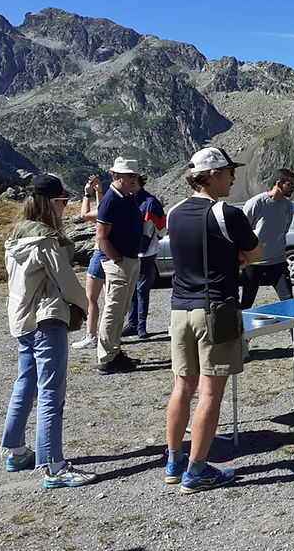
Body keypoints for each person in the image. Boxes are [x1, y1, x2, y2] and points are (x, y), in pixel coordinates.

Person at [164, 147, 263, 493]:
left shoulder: (174, 212)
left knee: (182, 387)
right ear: (215, 175)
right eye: (229, 172)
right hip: (216, 309)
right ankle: (198, 470)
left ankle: (174, 460)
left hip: (179, 309)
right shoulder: (226, 213)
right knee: (210, 393)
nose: (233, 178)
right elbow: (257, 253)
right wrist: (236, 259)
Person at [0, 173, 97, 489]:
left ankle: (15, 450)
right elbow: (66, 281)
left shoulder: (15, 237)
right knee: (51, 392)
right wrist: (88, 307)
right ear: (48, 203)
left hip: (23, 320)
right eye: (62, 200)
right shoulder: (45, 241)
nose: (65, 206)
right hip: (47, 318)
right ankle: (54, 466)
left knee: (26, 383)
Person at [95, 157, 144, 374]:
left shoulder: (126, 197)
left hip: (129, 258)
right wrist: (116, 259)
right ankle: (106, 357)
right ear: (117, 177)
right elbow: (101, 236)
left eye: (134, 175)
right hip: (119, 261)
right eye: (129, 176)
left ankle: (114, 351)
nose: (134, 179)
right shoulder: (110, 200)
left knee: (121, 309)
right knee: (114, 309)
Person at [241, 168, 294, 310]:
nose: (293, 189)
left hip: (278, 261)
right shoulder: (256, 203)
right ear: (278, 184)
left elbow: (285, 230)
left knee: (288, 300)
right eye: (290, 185)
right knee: (247, 302)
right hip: (254, 262)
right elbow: (242, 230)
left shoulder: (288, 206)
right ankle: (238, 331)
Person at [122, 174, 167, 339]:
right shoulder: (127, 200)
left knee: (142, 288)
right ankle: (133, 325)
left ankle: (140, 326)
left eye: (134, 181)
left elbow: (162, 228)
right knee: (133, 288)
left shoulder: (150, 203)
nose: (131, 184)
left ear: (140, 183)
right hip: (131, 251)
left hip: (145, 251)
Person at [72, 173, 104, 350]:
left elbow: (84, 215)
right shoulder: (121, 204)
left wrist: (87, 194)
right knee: (111, 297)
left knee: (91, 297)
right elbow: (103, 208)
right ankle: (109, 334)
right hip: (114, 254)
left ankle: (91, 335)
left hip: (100, 253)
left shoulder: (108, 207)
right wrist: (99, 191)